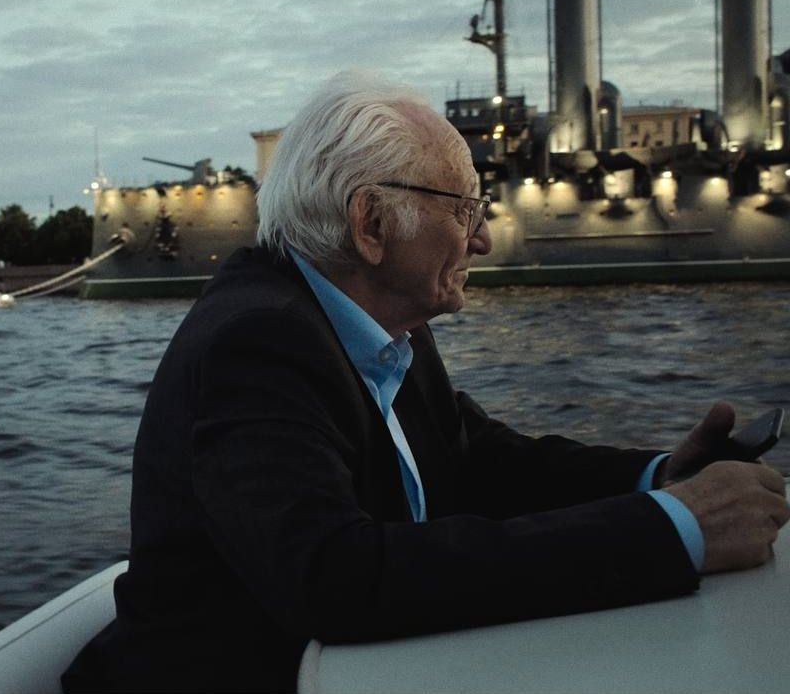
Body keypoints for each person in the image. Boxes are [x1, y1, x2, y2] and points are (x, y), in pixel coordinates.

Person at [62, 71, 790, 693]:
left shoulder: (377, 320)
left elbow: (476, 457)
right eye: (465, 209)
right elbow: (334, 579)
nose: (482, 238)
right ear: (372, 224)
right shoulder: (256, 343)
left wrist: (659, 478)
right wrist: (674, 531)